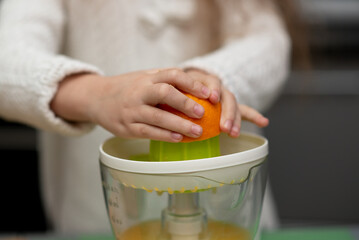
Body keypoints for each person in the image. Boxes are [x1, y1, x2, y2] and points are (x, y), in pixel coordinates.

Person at [0, 0, 290, 233]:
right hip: (93, 218)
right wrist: (96, 94)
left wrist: (209, 80)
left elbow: (269, 42)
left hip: (232, 214)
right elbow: (7, 58)